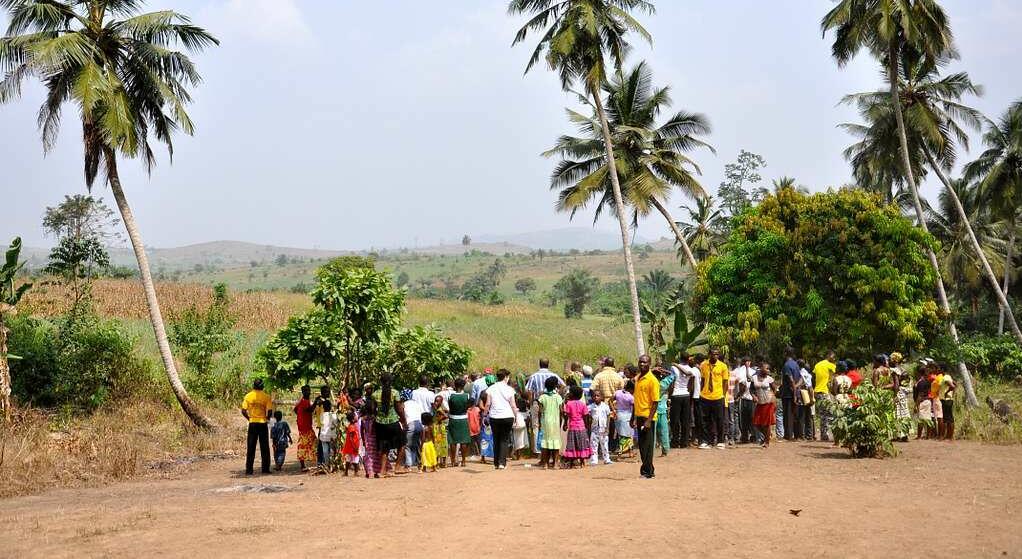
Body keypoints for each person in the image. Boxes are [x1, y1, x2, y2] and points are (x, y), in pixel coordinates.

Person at [483, 369, 518, 470]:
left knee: (496, 439)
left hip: (494, 417)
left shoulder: (491, 389)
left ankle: (496, 463)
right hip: (508, 416)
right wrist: (516, 416)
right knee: (504, 439)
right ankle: (502, 463)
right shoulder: (510, 389)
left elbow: (488, 404)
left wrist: (485, 415)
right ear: (506, 377)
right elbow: (513, 405)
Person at [632, 355, 660, 478]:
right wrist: (633, 417)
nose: (642, 364)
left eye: (645, 362)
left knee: (647, 446)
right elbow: (636, 399)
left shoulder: (652, 380)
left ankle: (648, 471)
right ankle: (648, 469)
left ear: (649, 363)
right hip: (639, 415)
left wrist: (649, 420)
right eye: (640, 362)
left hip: (648, 417)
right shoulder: (638, 379)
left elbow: (655, 402)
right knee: (642, 446)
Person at [371, 374, 405, 478]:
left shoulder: (375, 394)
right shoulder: (395, 393)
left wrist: (378, 418)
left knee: (384, 447)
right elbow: (399, 409)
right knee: (402, 444)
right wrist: (403, 420)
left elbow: (373, 410)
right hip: (393, 422)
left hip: (380, 424)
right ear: (391, 382)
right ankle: (398, 466)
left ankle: (382, 471)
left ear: (381, 382)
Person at [241, 378, 273, 475]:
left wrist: (249, 418)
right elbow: (270, 411)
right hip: (262, 423)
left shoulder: (248, 396)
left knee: (251, 447)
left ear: (253, 385)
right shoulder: (266, 397)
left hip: (252, 423)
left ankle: (249, 470)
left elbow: (243, 410)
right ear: (262, 386)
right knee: (264, 447)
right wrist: (266, 419)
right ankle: (265, 469)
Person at [698, 349, 729, 449]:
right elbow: (703, 379)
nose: (715, 356)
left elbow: (725, 382)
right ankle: (706, 441)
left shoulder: (723, 366)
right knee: (705, 420)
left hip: (718, 396)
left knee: (719, 419)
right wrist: (701, 391)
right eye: (713, 354)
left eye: (717, 354)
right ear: (709, 355)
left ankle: (720, 441)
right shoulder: (703, 365)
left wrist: (723, 395)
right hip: (705, 396)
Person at [560, 385, 591, 468]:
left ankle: (571, 462)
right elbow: (586, 416)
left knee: (572, 444)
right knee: (582, 444)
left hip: (572, 427)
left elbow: (566, 415)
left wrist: (565, 424)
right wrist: (587, 426)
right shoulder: (583, 404)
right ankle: (583, 462)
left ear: (572, 394)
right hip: (581, 427)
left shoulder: (569, 404)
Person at [669, 355, 697, 449]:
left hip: (676, 395)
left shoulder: (673, 368)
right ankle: (684, 442)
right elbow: (691, 384)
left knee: (675, 420)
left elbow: (671, 383)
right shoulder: (691, 369)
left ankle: (675, 441)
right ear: (688, 359)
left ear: (680, 359)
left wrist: (670, 395)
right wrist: (689, 392)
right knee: (685, 420)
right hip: (686, 395)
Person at [537, 375, 564, 469]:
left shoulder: (542, 397)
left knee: (545, 442)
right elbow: (561, 411)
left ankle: (545, 464)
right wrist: (562, 421)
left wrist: (540, 423)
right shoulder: (558, 397)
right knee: (555, 442)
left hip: (546, 422)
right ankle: (556, 463)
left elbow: (540, 411)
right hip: (555, 422)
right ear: (555, 386)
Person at [447, 378, 472, 467]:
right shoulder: (467, 396)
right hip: (463, 418)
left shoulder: (451, 396)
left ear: (455, 385)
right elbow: (468, 406)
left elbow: (450, 408)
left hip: (453, 419)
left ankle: (453, 461)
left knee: (453, 440)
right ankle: (464, 461)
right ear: (463, 386)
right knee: (463, 440)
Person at [751, 363, 777, 448]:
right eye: (766, 368)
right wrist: (754, 396)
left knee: (767, 423)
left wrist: (773, 398)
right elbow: (751, 389)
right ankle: (767, 436)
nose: (768, 370)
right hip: (759, 403)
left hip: (769, 403)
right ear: (761, 368)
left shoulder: (770, 379)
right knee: (757, 423)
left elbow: (774, 389)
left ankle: (767, 442)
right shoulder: (754, 378)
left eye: (769, 369)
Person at [812, 352, 836, 442]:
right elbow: (836, 376)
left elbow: (813, 378)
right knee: (830, 413)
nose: (834, 359)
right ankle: (833, 434)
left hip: (817, 391)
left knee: (822, 414)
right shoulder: (831, 365)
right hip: (825, 391)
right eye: (833, 357)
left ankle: (824, 435)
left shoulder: (817, 365)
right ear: (829, 356)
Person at [731, 357, 755, 444]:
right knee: (745, 418)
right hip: (745, 398)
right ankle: (747, 436)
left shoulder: (751, 371)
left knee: (747, 418)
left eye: (748, 361)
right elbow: (742, 385)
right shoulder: (740, 371)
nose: (747, 363)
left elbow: (744, 385)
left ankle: (749, 435)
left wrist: (738, 396)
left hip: (748, 398)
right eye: (746, 361)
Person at [781, 347, 803, 441]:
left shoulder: (786, 365)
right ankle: (797, 435)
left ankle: (788, 435)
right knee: (795, 414)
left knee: (788, 415)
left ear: (785, 353)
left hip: (788, 394)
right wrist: (797, 387)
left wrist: (794, 392)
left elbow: (791, 380)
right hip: (795, 392)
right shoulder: (796, 364)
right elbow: (801, 379)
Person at [888, 352, 911, 441]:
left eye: (890, 359)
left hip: (898, 393)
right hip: (903, 394)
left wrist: (894, 395)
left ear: (894, 360)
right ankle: (904, 434)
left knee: (897, 413)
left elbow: (896, 385)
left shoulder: (894, 371)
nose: (889, 361)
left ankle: (898, 435)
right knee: (904, 413)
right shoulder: (902, 369)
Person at [400, 389, 424, 472]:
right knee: (417, 445)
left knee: (407, 445)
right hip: (419, 424)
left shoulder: (404, 404)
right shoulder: (416, 403)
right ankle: (419, 465)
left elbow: (403, 417)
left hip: (411, 424)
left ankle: (408, 465)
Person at [293, 385, 316, 471]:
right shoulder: (304, 402)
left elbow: (296, 409)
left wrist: (301, 416)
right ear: (303, 392)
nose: (308, 392)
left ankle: (310, 461)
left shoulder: (303, 401)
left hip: (305, 426)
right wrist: (316, 402)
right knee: (303, 445)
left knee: (312, 442)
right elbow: (310, 410)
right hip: (305, 427)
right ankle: (303, 465)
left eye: (308, 390)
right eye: (306, 391)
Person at [655, 364, 675, 456]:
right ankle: (665, 450)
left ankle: (650, 450)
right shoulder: (663, 384)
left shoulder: (651, 384)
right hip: (662, 410)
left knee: (652, 433)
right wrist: (665, 371)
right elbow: (673, 375)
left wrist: (652, 370)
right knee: (664, 431)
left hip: (652, 411)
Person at [588, 390, 612, 465]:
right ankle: (594, 459)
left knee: (604, 444)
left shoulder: (605, 406)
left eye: (598, 396)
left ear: (601, 397)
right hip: (594, 428)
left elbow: (608, 416)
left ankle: (606, 458)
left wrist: (607, 428)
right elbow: (587, 414)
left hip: (603, 428)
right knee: (594, 444)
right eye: (594, 396)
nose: (596, 397)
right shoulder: (591, 406)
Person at [614, 380, 635, 458]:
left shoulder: (618, 392)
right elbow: (634, 408)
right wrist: (634, 419)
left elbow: (610, 400)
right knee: (628, 436)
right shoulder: (630, 397)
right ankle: (622, 453)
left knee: (622, 435)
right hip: (628, 417)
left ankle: (629, 451)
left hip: (619, 415)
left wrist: (614, 410)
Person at [312, 385, 332, 466]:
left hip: (326, 426)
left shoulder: (326, 401)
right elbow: (314, 409)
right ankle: (321, 462)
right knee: (321, 445)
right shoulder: (320, 401)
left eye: (328, 391)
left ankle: (323, 461)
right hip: (322, 426)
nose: (328, 393)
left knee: (324, 445)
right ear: (322, 392)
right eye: (326, 392)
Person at [360, 399, 378, 478]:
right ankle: (375, 472)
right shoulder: (375, 418)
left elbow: (361, 430)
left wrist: (363, 440)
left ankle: (369, 471)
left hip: (367, 439)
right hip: (374, 439)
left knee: (368, 456)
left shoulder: (363, 418)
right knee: (375, 456)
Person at [318, 400, 338, 472]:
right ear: (330, 407)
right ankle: (332, 465)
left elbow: (322, 423)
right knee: (332, 451)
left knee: (325, 452)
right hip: (332, 436)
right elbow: (336, 424)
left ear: (323, 407)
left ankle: (327, 465)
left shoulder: (322, 415)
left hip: (323, 436)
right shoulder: (333, 415)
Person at [341, 410, 360, 476]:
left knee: (349, 459)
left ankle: (346, 472)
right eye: (355, 416)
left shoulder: (352, 426)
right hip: (352, 446)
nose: (357, 417)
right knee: (355, 459)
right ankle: (356, 472)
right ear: (352, 420)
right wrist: (355, 446)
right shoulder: (352, 427)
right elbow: (351, 438)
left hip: (350, 446)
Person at [512, 385, 529, 460]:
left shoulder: (517, 401)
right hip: (522, 421)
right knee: (521, 439)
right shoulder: (524, 402)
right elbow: (525, 414)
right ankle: (519, 455)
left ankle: (516, 454)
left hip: (517, 420)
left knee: (517, 438)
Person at [431, 394, 449, 468]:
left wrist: (439, 420)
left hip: (439, 429)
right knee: (439, 445)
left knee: (440, 444)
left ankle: (441, 463)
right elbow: (447, 411)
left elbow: (445, 415)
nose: (435, 402)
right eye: (435, 401)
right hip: (438, 428)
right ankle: (439, 462)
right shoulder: (438, 408)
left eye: (437, 401)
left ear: (441, 402)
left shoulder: (439, 409)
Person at [940, 369, 956, 441]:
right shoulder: (948, 376)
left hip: (947, 400)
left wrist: (947, 393)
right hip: (947, 399)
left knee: (949, 418)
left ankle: (950, 437)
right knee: (947, 418)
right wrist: (952, 394)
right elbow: (955, 384)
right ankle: (948, 436)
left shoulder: (946, 377)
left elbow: (952, 386)